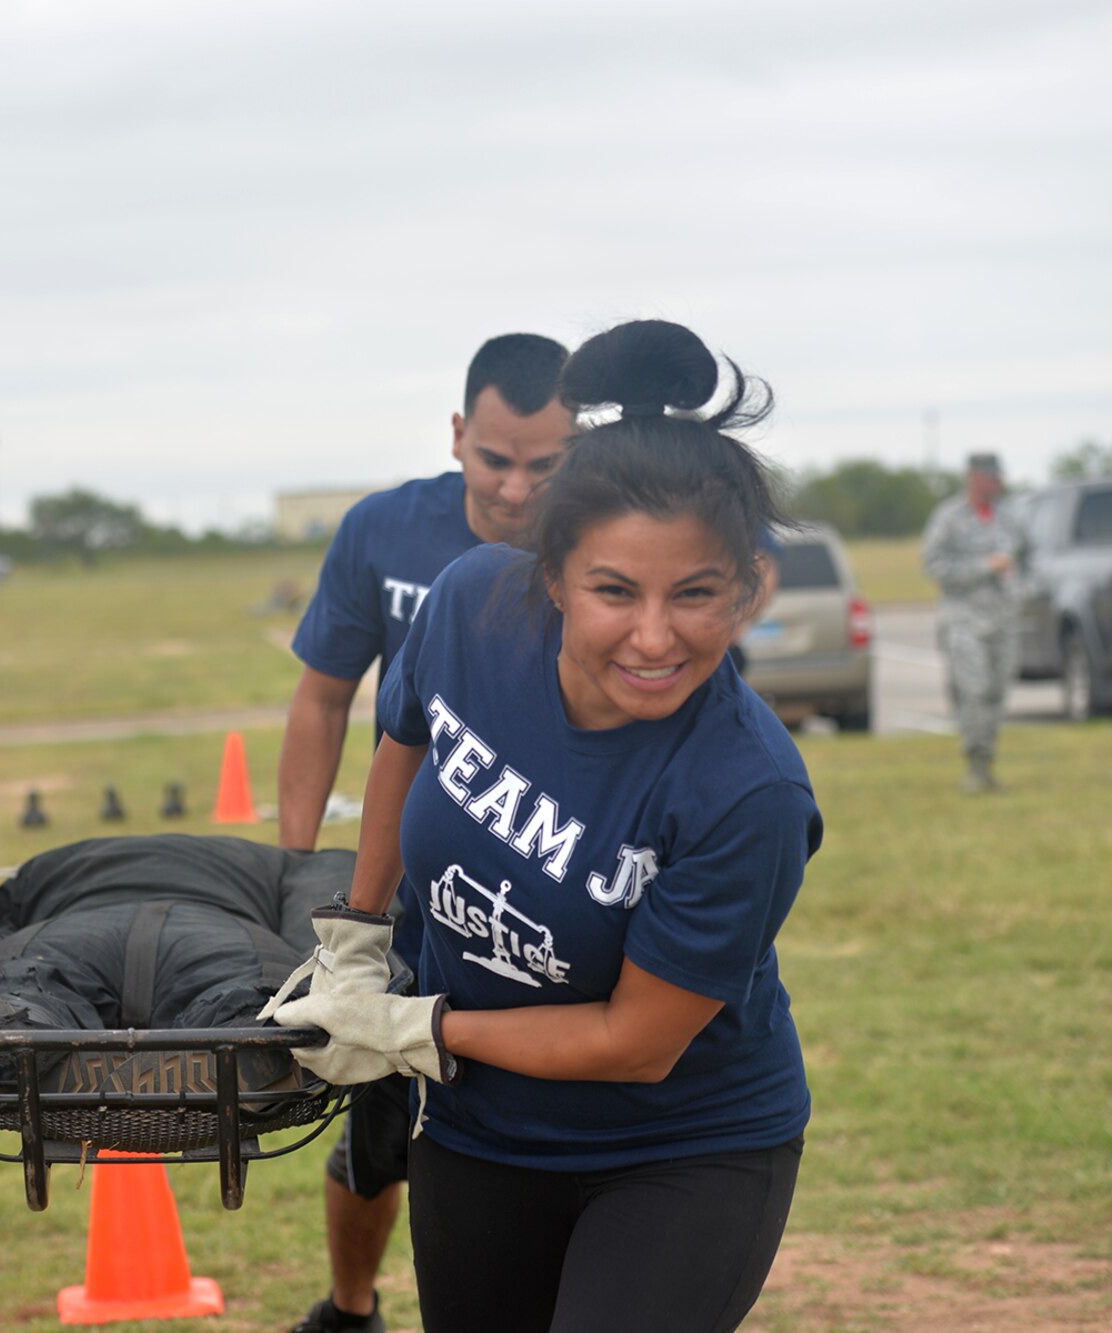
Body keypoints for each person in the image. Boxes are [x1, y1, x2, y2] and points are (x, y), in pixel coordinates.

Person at [276, 319, 819, 1332]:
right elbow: (403, 742)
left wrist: (414, 1028)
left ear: (743, 592)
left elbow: (635, 1041)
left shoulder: (747, 791)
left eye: (695, 595)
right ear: (552, 571)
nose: (653, 636)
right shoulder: (469, 604)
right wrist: (356, 935)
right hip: (483, 1132)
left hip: (682, 1148)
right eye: (614, 590)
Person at [276, 332, 572, 1333]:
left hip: (540, 894)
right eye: (494, 458)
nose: (517, 489)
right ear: (456, 433)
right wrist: (297, 867)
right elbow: (321, 700)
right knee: (372, 1132)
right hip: (396, 882)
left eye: (546, 466)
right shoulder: (382, 533)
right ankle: (351, 1307)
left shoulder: (604, 546)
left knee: (513, 1124)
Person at [921, 453, 1026, 792]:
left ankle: (987, 761)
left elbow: (1030, 556)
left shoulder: (1009, 518)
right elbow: (934, 564)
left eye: (999, 477)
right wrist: (984, 567)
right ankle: (976, 765)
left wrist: (1020, 583)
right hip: (964, 620)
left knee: (996, 691)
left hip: (1004, 619)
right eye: (991, 477)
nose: (998, 483)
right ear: (975, 479)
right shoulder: (949, 518)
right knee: (973, 691)